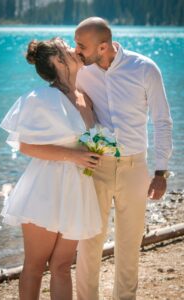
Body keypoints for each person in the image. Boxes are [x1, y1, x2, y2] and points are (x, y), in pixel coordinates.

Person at [74, 17, 173, 300]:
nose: (76, 50)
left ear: (103, 47)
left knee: (129, 245)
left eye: (81, 45)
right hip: (96, 165)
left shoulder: (145, 69)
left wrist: (161, 171)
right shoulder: (81, 69)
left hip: (135, 168)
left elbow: (162, 121)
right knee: (89, 242)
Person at [0, 37, 102, 300]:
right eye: (68, 47)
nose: (75, 48)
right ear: (58, 60)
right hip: (45, 189)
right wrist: (74, 156)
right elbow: (26, 146)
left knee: (62, 265)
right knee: (34, 265)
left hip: (77, 188)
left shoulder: (85, 98)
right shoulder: (41, 97)